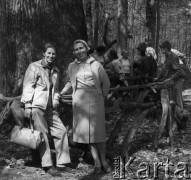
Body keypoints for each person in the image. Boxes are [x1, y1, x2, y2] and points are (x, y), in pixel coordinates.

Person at [60, 39, 111, 174]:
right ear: (74, 52)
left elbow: (106, 83)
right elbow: (69, 82)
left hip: (96, 99)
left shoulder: (96, 64)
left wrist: (102, 97)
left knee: (98, 132)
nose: (79, 51)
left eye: (81, 48)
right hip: (79, 101)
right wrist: (61, 93)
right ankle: (97, 163)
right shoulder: (72, 66)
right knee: (88, 134)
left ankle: (104, 160)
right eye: (76, 49)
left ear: (86, 48)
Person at [21, 43, 71, 177]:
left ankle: (62, 163)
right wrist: (27, 105)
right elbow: (28, 86)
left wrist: (55, 99)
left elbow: (55, 89)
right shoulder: (34, 67)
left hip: (50, 107)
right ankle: (48, 165)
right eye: (48, 53)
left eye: (53, 54)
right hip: (37, 106)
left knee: (61, 131)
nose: (51, 56)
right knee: (42, 135)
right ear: (44, 53)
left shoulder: (55, 70)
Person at [156, 41, 185, 109]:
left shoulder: (173, 57)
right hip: (173, 78)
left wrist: (170, 79)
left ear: (165, 49)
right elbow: (164, 69)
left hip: (178, 78)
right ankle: (174, 110)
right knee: (172, 95)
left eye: (162, 49)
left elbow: (179, 71)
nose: (161, 51)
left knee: (178, 95)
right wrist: (158, 78)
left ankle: (181, 112)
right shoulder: (167, 56)